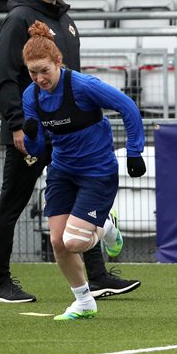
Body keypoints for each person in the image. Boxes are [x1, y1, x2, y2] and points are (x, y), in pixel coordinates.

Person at [0, 0, 140, 303]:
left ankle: (99, 276)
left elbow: (73, 80)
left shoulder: (65, 19)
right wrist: (17, 126)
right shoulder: (19, 19)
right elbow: (6, 76)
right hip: (28, 130)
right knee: (12, 204)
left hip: (67, 132)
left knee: (77, 201)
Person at [19, 21, 147, 320]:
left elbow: (128, 107)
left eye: (44, 70)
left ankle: (106, 226)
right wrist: (31, 136)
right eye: (32, 72)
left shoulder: (83, 85)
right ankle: (84, 301)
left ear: (58, 63)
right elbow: (37, 151)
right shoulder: (31, 97)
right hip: (62, 170)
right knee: (57, 242)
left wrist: (134, 151)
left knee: (74, 242)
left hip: (97, 171)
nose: (39, 78)